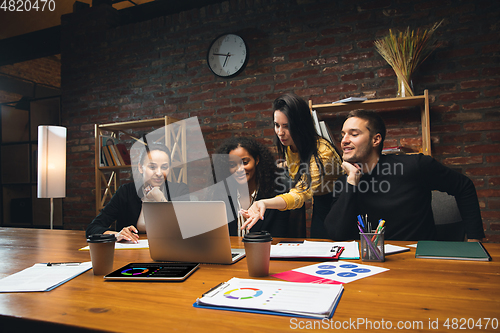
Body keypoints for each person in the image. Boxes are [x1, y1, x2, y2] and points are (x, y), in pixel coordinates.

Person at [325, 110, 485, 241]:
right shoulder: (345, 182)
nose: (344, 140)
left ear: (376, 140)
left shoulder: (415, 166)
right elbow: (336, 234)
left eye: (353, 134)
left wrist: (474, 240)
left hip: (417, 262)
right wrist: (352, 180)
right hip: (369, 264)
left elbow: (464, 186)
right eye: (342, 135)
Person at [241, 93, 343, 238]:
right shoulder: (290, 145)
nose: (280, 133)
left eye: (287, 126)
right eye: (277, 125)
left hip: (340, 205)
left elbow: (300, 193)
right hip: (320, 203)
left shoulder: (323, 153)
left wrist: (264, 203)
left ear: (301, 125)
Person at [86, 143, 189, 242]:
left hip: (169, 251)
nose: (159, 173)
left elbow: (185, 230)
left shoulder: (179, 190)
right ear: (140, 168)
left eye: (164, 167)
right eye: (152, 167)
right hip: (131, 253)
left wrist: (159, 197)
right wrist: (117, 235)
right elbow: (93, 228)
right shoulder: (125, 192)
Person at [213, 137, 290, 237]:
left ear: (256, 160)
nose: (239, 169)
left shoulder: (275, 196)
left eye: (245, 162)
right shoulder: (222, 196)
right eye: (232, 165)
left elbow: (278, 238)